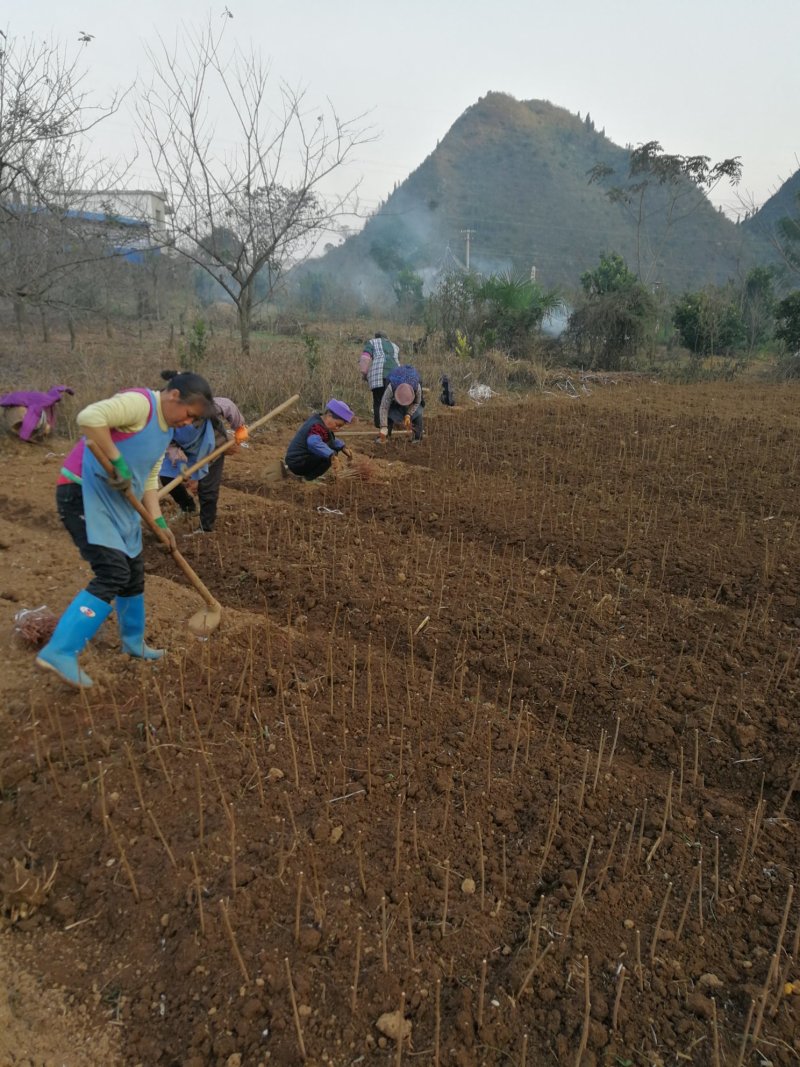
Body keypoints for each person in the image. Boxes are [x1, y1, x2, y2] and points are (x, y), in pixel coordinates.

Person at [35, 371, 215, 689]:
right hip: (82, 493)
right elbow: (89, 417)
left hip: (118, 503)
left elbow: (147, 478)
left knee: (133, 571)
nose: (188, 423)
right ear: (174, 396)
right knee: (112, 573)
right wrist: (116, 460)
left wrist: (158, 523)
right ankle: (60, 650)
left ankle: (133, 643)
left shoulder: (165, 431)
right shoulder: (140, 404)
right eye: (189, 415)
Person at [158, 375, 247, 535]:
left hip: (212, 447)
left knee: (207, 488)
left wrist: (239, 429)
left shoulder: (209, 407)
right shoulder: (164, 417)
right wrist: (179, 459)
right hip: (183, 450)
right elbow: (167, 442)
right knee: (166, 476)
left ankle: (205, 528)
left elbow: (229, 407)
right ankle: (188, 507)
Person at [284, 399, 354, 481]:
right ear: (329, 415)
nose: (337, 428)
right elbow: (313, 443)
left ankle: (309, 476)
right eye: (337, 425)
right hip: (297, 462)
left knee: (330, 450)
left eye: (340, 427)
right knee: (327, 457)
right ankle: (307, 479)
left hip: (298, 461)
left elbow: (329, 441)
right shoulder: (316, 426)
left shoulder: (321, 424)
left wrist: (342, 447)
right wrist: (331, 455)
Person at [0, 385, 74, 441]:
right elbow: (33, 413)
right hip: (20, 399)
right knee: (9, 399)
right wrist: (25, 434)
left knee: (7, 399)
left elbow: (57, 388)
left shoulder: (48, 397)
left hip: (19, 397)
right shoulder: (47, 400)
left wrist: (68, 390)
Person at [358, 331, 400, 428]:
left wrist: (364, 373)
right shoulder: (395, 346)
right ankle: (390, 427)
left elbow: (365, 358)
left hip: (379, 376)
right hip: (396, 376)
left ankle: (381, 427)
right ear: (387, 338)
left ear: (376, 337)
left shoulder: (372, 342)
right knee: (391, 401)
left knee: (379, 402)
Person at [377, 365, 424, 443]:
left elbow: (417, 402)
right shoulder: (391, 387)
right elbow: (384, 407)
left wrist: (408, 414)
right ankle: (385, 435)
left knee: (418, 412)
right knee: (390, 411)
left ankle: (417, 437)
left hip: (413, 383)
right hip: (394, 382)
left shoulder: (417, 387)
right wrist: (383, 426)